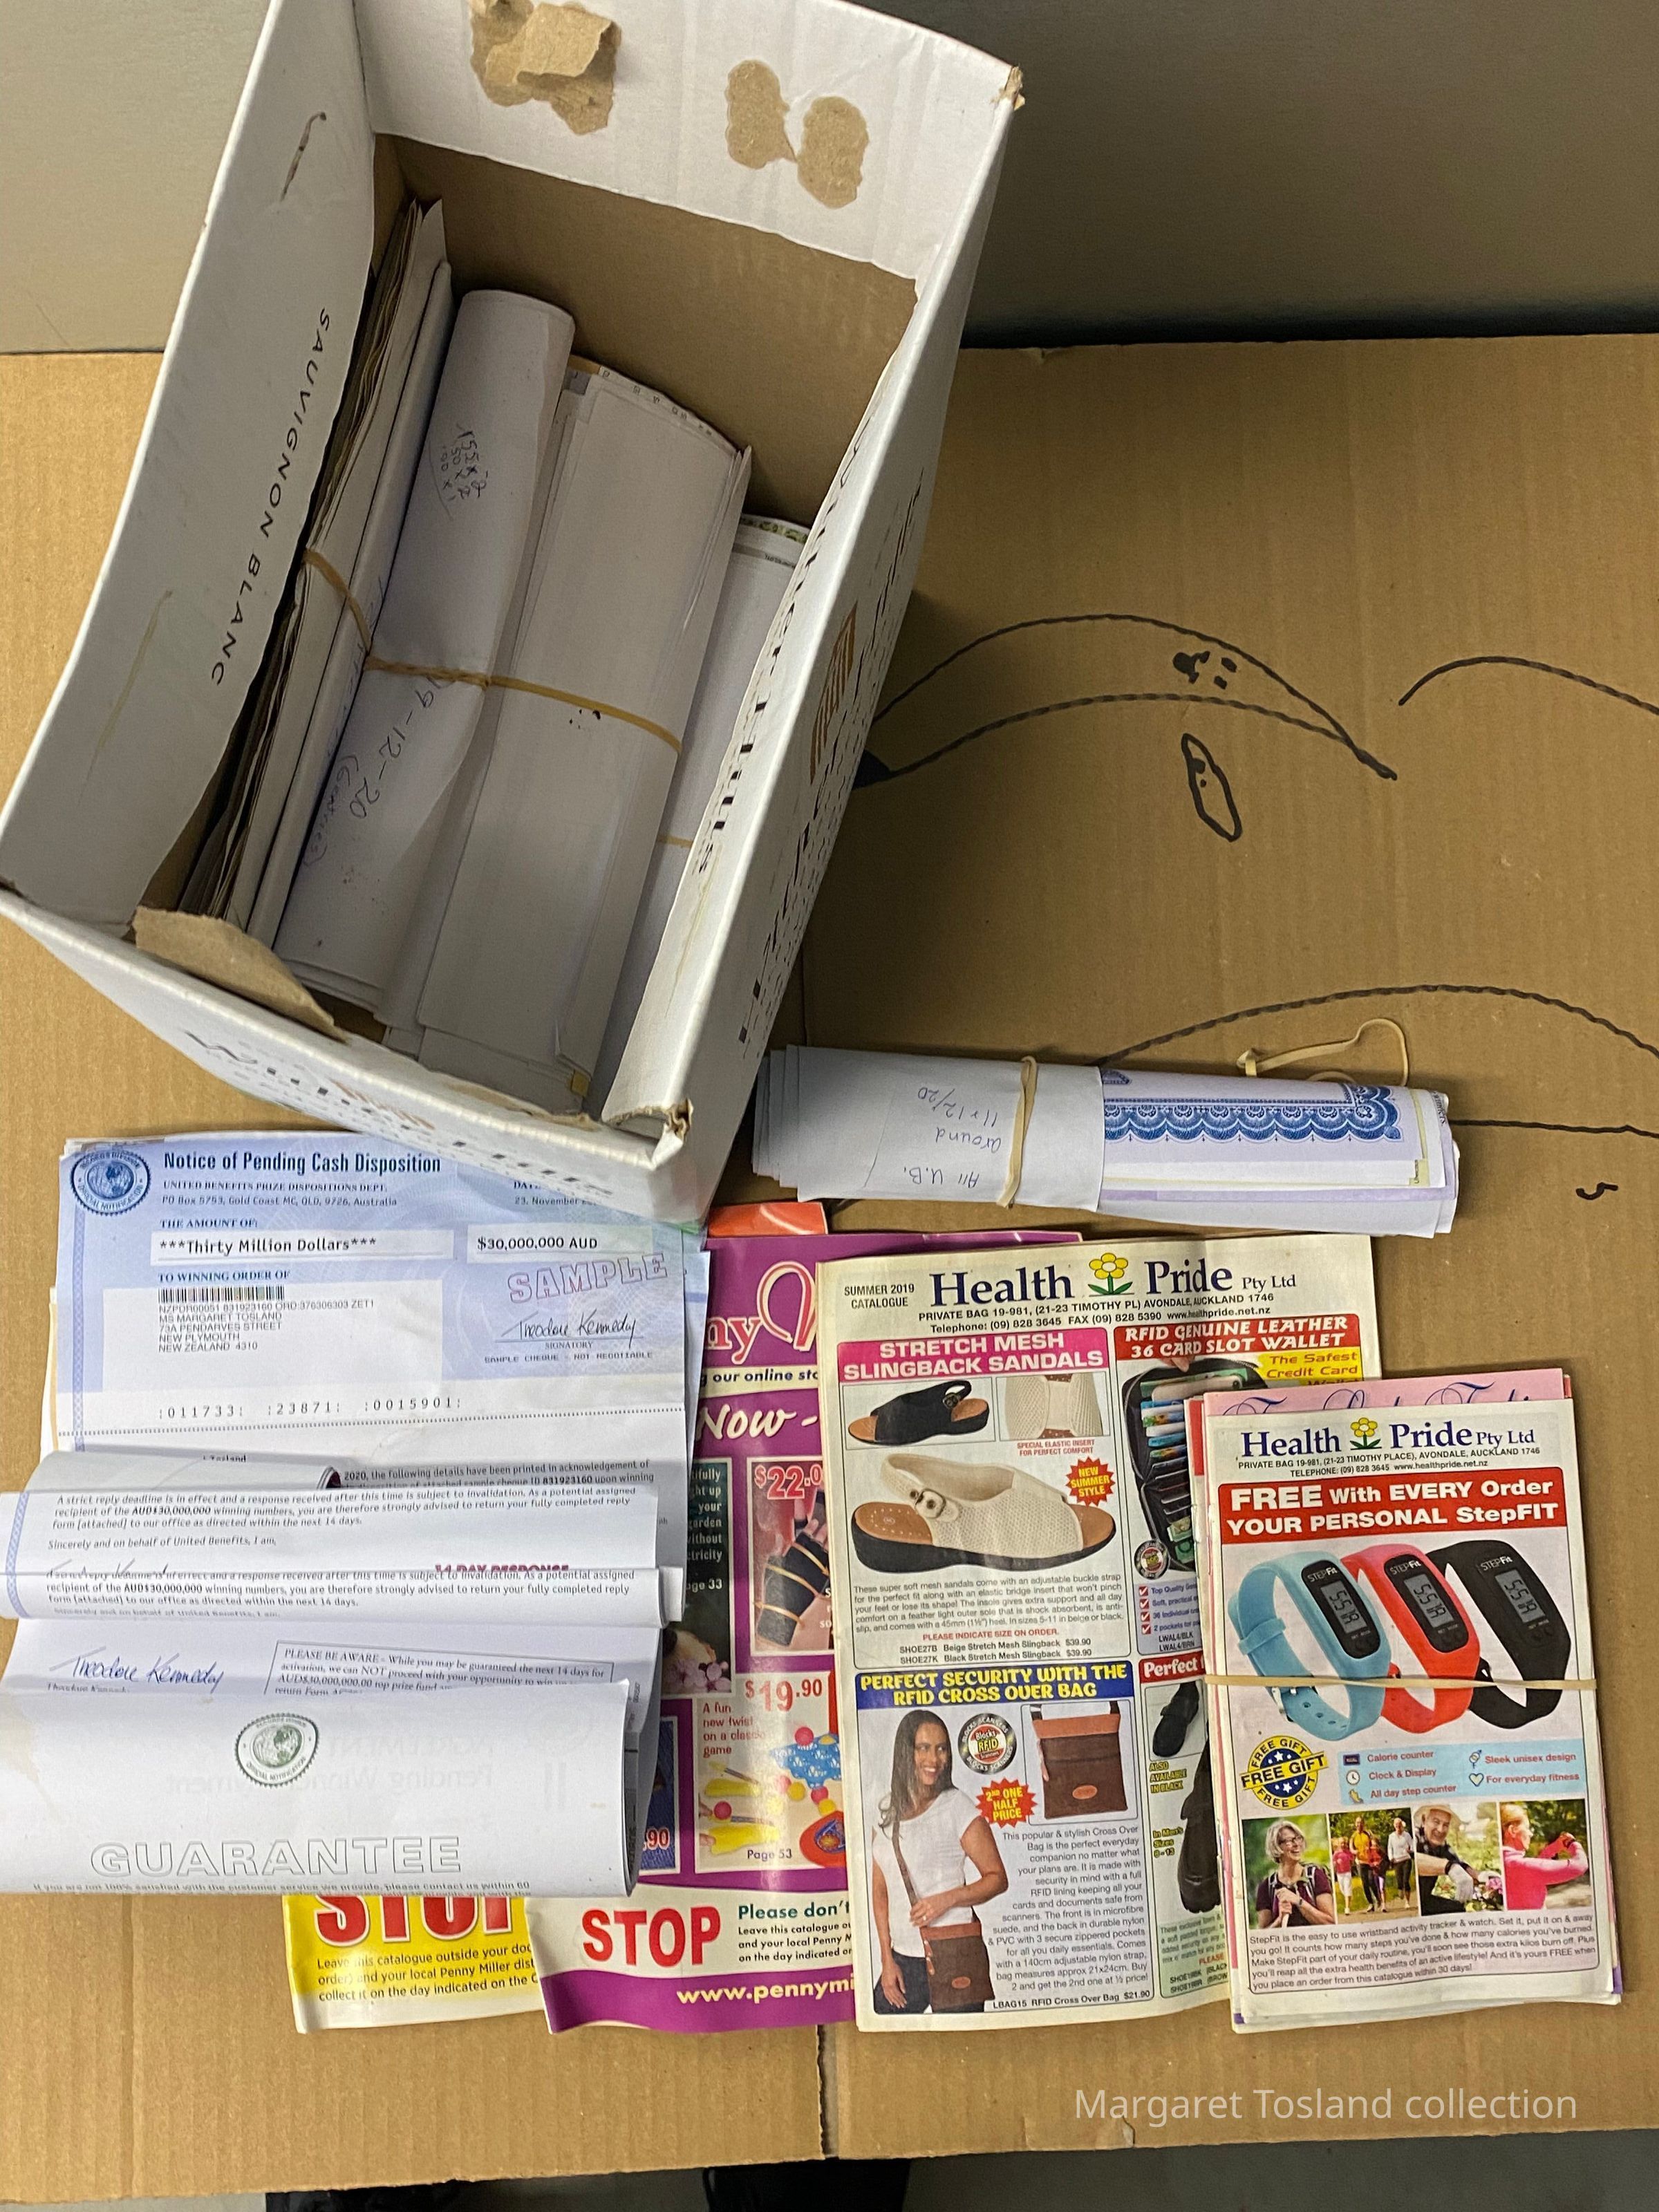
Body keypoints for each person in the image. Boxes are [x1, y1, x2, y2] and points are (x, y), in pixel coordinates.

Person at [869, 1710, 1009, 2014]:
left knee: (962, 2041)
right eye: (924, 1748)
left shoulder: (956, 1806)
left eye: (941, 1749)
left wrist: (946, 1900)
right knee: (882, 2027)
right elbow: (881, 1891)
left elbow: (997, 1878)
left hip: (955, 1952)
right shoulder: (885, 1811)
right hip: (904, 1958)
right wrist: (886, 1959)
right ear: (906, 1752)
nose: (934, 1759)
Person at [1500, 1803, 1589, 1910]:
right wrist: (1573, 1844)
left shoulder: (1505, 1863)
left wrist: (1554, 1848)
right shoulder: (1518, 1865)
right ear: (1512, 1831)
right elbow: (1580, 1865)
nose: (1531, 1834)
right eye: (1527, 1828)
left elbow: (1535, 1871)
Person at [1253, 1820, 1336, 1928]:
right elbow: (1263, 1935)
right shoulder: (1266, 1887)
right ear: (1276, 1846)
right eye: (1290, 1841)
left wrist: (1299, 1901)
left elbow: (1331, 1923)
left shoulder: (1316, 1876)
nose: (1297, 1844)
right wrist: (1279, 1920)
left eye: (1298, 1838)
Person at [1416, 1803, 1477, 1915]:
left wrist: (1481, 1877)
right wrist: (1449, 1867)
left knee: (1458, 1909)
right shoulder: (1414, 1836)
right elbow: (1414, 1861)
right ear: (1424, 1820)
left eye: (1446, 1825)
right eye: (1436, 1822)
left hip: (1425, 1901)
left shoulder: (1442, 1846)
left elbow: (1458, 1864)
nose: (1440, 1830)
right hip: (1414, 1904)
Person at [1352, 1818, 1383, 1910]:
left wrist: (1371, 1848)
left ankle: (1378, 1899)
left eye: (1361, 1822)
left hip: (1369, 1861)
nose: (1359, 1824)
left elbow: (1374, 1843)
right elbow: (1351, 1848)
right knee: (1365, 1883)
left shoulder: (1368, 1834)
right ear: (1355, 1824)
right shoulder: (1353, 1836)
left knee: (1371, 1880)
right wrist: (1354, 1852)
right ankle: (1371, 1903)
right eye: (1358, 1823)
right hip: (1360, 1862)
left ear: (1363, 1823)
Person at [1387, 1814, 1414, 1902]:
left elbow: (1412, 1845)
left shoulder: (1407, 1835)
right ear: (1394, 1826)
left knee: (1406, 1881)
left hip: (1406, 1859)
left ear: (1401, 1825)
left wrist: (1411, 1850)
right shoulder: (1391, 1836)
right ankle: (1400, 1889)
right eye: (1396, 1824)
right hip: (1397, 1861)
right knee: (1399, 1881)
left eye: (1399, 1824)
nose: (1398, 1826)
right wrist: (1391, 1857)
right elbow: (1390, 1848)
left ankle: (1407, 1901)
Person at [1332, 1832, 1356, 1912]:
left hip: (1347, 1873)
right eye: (1341, 1843)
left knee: (1347, 1888)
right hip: (1340, 1874)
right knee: (1342, 1889)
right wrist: (1337, 1862)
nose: (1343, 1845)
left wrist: (1350, 1863)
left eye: (1344, 1843)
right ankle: (1349, 1897)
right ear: (1339, 1844)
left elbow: (1352, 1861)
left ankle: (1347, 1908)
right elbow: (1333, 1863)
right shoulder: (1336, 1854)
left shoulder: (1348, 1852)